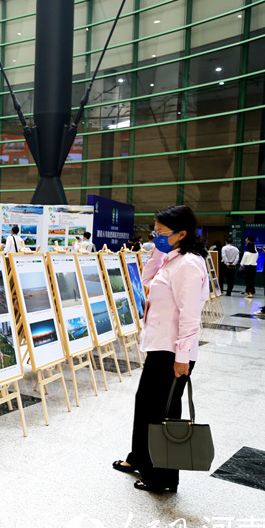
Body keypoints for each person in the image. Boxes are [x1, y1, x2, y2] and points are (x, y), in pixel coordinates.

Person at [113, 205, 209, 494]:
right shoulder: (171, 260)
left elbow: (190, 315)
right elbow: (146, 282)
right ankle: (140, 458)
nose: (156, 237)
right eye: (154, 231)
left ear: (182, 234)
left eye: (161, 233)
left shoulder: (189, 265)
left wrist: (182, 358)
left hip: (172, 353)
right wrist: (157, 249)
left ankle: (164, 478)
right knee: (146, 405)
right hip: (159, 347)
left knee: (163, 413)